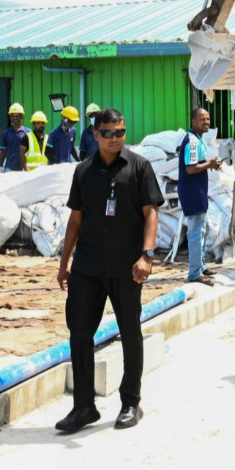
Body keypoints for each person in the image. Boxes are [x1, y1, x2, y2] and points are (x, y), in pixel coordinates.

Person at [54, 108, 164, 433]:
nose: (115, 139)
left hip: (126, 266)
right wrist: (64, 264)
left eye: (120, 132)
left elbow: (151, 213)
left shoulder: (139, 167)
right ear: (95, 134)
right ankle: (83, 407)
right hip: (87, 266)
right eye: (108, 133)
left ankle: (131, 403)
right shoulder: (83, 171)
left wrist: (146, 255)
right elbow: (76, 219)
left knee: (130, 331)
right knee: (79, 333)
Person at [178, 108, 223, 285]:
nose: (206, 122)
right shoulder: (192, 142)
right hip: (192, 192)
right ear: (194, 121)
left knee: (201, 230)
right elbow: (190, 168)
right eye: (202, 119)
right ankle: (195, 273)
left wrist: (210, 164)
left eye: (208, 119)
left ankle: (200, 265)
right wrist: (209, 164)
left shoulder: (197, 139)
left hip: (198, 191)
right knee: (196, 232)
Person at [0, 103, 29, 172]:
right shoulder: (6, 133)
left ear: (21, 117)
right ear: (10, 118)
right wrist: (0, 166)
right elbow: (3, 151)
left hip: (24, 168)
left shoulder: (28, 132)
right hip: (9, 169)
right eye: (13, 116)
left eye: (17, 116)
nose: (15, 118)